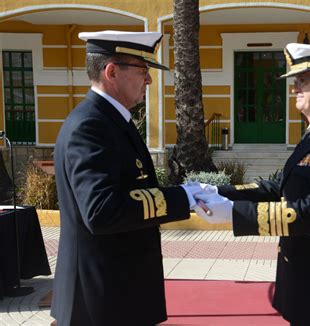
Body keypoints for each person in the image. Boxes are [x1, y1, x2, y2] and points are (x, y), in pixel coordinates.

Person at [195, 43, 310, 325]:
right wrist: (220, 191)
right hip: (303, 279)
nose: (294, 89)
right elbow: (280, 187)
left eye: (303, 81)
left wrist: (234, 214)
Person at [52, 31, 201, 325]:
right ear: (111, 72)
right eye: (143, 70)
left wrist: (184, 194)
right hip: (101, 300)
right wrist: (183, 198)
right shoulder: (91, 126)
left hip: (117, 292)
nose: (149, 80)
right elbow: (101, 211)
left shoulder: (110, 120)